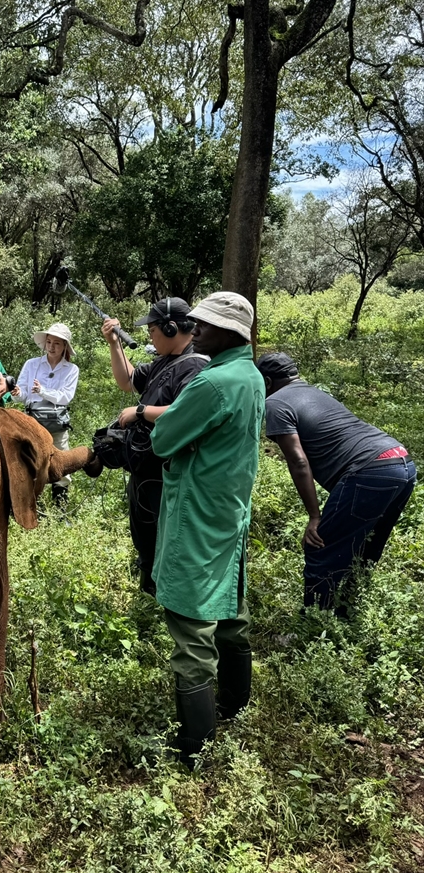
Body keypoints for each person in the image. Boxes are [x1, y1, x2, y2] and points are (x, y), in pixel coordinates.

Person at [148, 292, 265, 767]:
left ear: (230, 333)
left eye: (205, 325)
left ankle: (196, 748)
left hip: (197, 514)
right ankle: (236, 704)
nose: (196, 331)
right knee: (231, 608)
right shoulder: (252, 375)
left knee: (192, 621)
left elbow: (163, 438)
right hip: (230, 510)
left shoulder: (211, 384)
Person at [257, 351, 417, 614]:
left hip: (370, 469)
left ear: (267, 382)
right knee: (368, 545)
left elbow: (298, 462)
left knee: (320, 546)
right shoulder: (315, 392)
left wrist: (314, 516)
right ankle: (348, 613)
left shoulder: (275, 403)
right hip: (402, 462)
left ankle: (315, 621)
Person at [100, 298, 208, 594]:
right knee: (144, 532)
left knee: (166, 536)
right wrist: (114, 343)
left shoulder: (196, 366)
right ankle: (148, 587)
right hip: (144, 466)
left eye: (152, 330)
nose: (150, 336)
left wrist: (140, 412)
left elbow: (186, 412)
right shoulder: (164, 360)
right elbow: (127, 381)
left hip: (168, 472)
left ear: (171, 328)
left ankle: (168, 595)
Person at [14, 323, 80, 513]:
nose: (51, 347)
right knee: (33, 461)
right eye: (49, 342)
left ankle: (60, 510)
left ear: (65, 346)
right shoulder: (31, 364)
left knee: (61, 460)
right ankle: (35, 509)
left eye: (57, 343)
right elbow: (24, 396)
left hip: (57, 421)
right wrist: (17, 393)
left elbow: (66, 397)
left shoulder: (71, 369)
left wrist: (42, 391)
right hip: (33, 420)